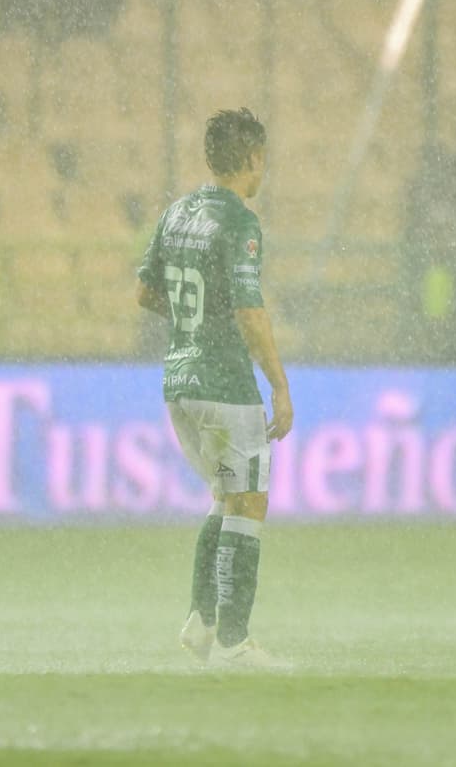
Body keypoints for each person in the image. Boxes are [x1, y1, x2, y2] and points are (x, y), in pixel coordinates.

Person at [135, 108, 293, 668]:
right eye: (263, 159)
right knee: (248, 501)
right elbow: (250, 312)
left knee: (225, 497)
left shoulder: (177, 214)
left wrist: (193, 326)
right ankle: (234, 643)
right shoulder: (240, 223)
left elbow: (146, 293)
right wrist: (279, 386)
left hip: (180, 381)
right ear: (253, 158)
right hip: (225, 383)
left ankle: (202, 621)